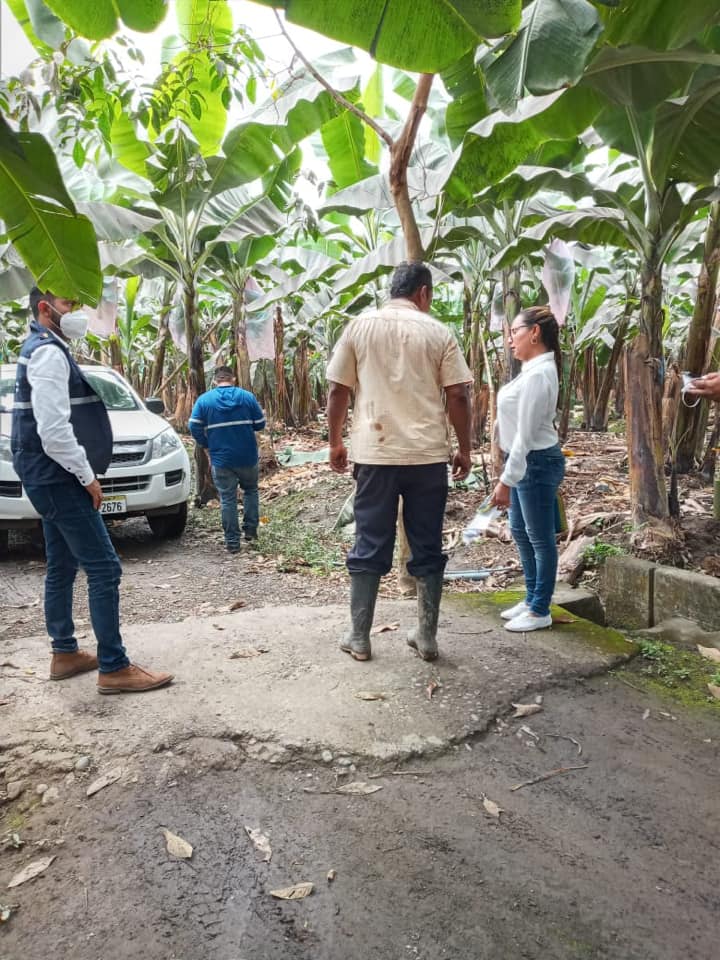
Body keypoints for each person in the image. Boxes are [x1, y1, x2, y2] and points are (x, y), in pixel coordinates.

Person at [11, 288, 173, 693]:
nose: (76, 312)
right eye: (68, 304)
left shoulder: (39, 346)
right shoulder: (48, 352)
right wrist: (87, 476)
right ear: (45, 309)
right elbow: (53, 430)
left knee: (62, 564)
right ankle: (114, 667)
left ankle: (64, 653)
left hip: (44, 475)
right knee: (104, 568)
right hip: (57, 477)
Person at [326, 261, 473, 663]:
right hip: (427, 457)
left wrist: (335, 442)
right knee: (427, 542)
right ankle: (426, 636)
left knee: (370, 540)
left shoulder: (358, 327)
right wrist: (464, 448)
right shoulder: (438, 332)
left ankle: (359, 636)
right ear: (423, 293)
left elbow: (338, 390)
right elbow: (458, 395)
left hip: (375, 453)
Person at [490, 305, 565, 633]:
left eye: (515, 332)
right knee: (521, 532)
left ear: (534, 332)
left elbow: (526, 434)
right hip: (526, 461)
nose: (510, 340)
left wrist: (506, 480)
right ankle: (532, 596)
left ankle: (539, 609)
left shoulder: (538, 374)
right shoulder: (533, 369)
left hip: (535, 462)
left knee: (539, 537)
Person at [189, 365, 266, 553]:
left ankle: (232, 542)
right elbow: (260, 424)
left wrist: (206, 444)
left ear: (215, 381)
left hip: (221, 459)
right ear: (233, 379)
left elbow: (194, 426)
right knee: (251, 491)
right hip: (247, 456)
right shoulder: (247, 397)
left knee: (227, 499)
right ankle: (250, 531)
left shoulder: (204, 401)